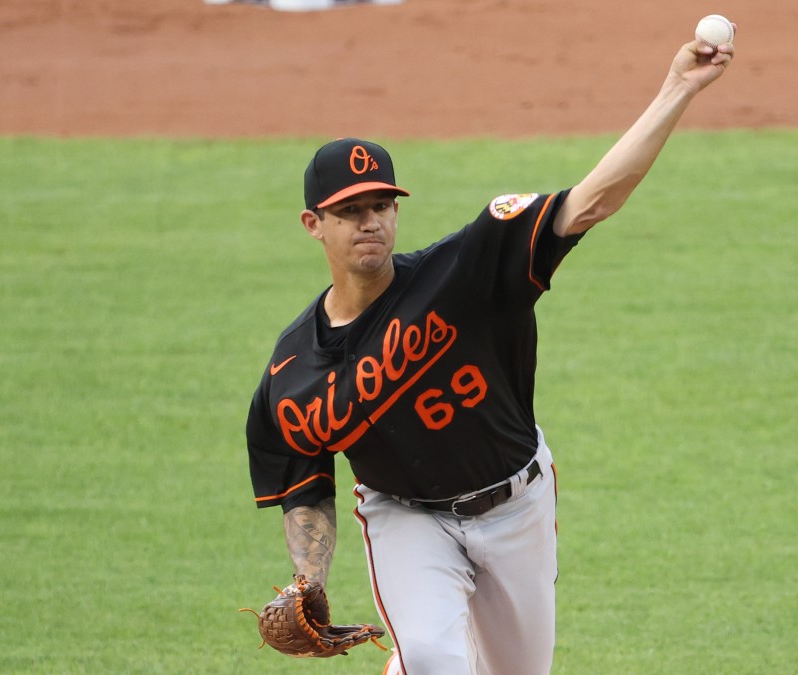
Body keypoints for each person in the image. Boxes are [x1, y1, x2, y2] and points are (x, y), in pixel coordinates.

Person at [246, 31, 735, 674]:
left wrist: (679, 87)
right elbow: (303, 485)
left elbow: (591, 200)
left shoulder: (467, 268)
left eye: (382, 205)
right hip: (405, 517)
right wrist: (309, 578)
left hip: (516, 504)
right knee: (430, 656)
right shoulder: (294, 371)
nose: (371, 221)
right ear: (315, 224)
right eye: (350, 211)